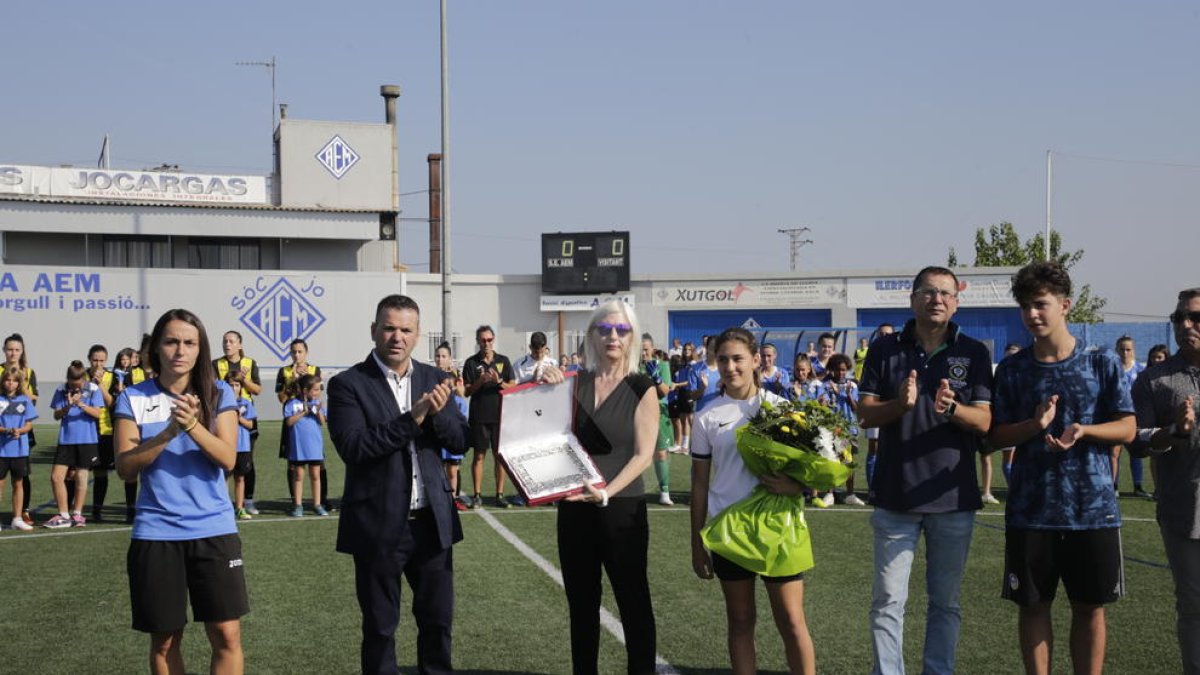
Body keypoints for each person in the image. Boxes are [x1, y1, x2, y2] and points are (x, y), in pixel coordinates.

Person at [989, 261, 1134, 675]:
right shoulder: (1014, 370)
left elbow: (1128, 426)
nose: (1031, 314)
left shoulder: (1101, 363)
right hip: (1030, 511)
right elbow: (994, 437)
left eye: (1040, 304)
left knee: (1090, 609)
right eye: (1025, 307)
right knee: (1033, 607)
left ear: (1065, 305)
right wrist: (1033, 426)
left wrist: (1083, 430)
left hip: (1093, 512)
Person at [858, 265, 994, 675]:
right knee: (887, 603)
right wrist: (900, 404)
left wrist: (951, 408)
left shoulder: (973, 352)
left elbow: (985, 422)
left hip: (953, 500)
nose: (937, 299)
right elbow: (865, 415)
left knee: (946, 604)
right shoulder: (884, 349)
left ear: (956, 301)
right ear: (912, 298)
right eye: (929, 292)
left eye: (946, 293)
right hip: (895, 497)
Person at [326, 294, 469, 675]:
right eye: (389, 328)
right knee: (380, 628)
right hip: (377, 525)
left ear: (418, 334)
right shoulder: (347, 384)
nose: (397, 337)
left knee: (438, 625)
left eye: (406, 330)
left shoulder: (435, 378)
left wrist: (436, 416)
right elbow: (355, 447)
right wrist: (415, 416)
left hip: (432, 523)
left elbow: (459, 441)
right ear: (374, 330)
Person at [114, 308, 248, 675]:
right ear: (156, 347)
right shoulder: (133, 397)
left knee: (226, 634)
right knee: (165, 640)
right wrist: (169, 432)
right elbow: (126, 467)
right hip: (156, 533)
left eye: (189, 342)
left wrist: (191, 426)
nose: (180, 350)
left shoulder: (218, 392)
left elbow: (228, 458)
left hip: (214, 530)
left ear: (199, 348)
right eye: (171, 341)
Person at [690, 327, 816, 675]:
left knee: (792, 621)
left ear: (756, 360)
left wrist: (797, 486)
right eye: (723, 360)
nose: (730, 367)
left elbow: (814, 467)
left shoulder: (781, 408)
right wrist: (697, 543)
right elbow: (700, 484)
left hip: (779, 528)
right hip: (730, 532)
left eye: (738, 358)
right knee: (741, 621)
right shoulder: (706, 416)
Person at [560, 299, 657, 675]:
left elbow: (643, 455)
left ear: (632, 336)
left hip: (622, 510)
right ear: (592, 335)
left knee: (633, 602)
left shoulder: (641, 386)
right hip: (574, 509)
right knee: (581, 605)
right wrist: (543, 383)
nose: (613, 337)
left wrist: (606, 492)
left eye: (621, 330)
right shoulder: (572, 383)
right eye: (605, 329)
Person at [1131, 288, 1200, 674]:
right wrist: (1174, 430)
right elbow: (1138, 443)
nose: (1186, 325)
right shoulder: (1155, 380)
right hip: (1185, 509)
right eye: (1179, 318)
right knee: (1192, 603)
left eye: (1195, 318)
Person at [44, 361, 104, 528]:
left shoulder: (92, 389)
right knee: (56, 477)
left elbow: (98, 414)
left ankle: (77, 515)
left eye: (78, 384)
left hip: (87, 440)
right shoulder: (61, 390)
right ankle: (63, 515)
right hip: (66, 440)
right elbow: (56, 415)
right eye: (72, 383)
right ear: (68, 379)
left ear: (84, 379)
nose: (75, 386)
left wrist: (80, 404)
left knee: (81, 477)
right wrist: (69, 405)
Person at [274, 338, 331, 513]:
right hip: (294, 422)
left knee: (318, 467)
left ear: (306, 353)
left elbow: (318, 396)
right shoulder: (284, 371)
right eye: (293, 352)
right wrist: (292, 380)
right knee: (294, 465)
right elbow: (282, 399)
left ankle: (321, 501)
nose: (297, 355)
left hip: (312, 428)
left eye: (300, 352)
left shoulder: (315, 370)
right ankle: (296, 503)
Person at [462, 325, 516, 508]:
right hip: (479, 417)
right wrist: (481, 381)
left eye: (489, 339)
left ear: (494, 340)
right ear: (478, 341)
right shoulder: (471, 363)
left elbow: (513, 387)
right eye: (483, 340)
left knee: (499, 457)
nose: (487, 343)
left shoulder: (503, 361)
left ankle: (499, 495)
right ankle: (477, 495)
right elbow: (467, 391)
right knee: (479, 456)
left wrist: (498, 381)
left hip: (501, 416)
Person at [213, 331, 264, 515]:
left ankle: (247, 501)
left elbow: (258, 390)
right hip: (224, 414)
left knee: (247, 460)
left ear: (239, 345)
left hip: (246, 414)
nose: (227, 344)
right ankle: (222, 501)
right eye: (224, 341)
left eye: (231, 341)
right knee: (224, 459)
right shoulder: (216, 364)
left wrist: (243, 379)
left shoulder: (249, 363)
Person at [2, 333, 38, 525]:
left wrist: (21, 387)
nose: (13, 353)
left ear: (22, 351)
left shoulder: (28, 372)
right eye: (9, 349)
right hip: (2, 430)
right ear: (4, 350)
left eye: (17, 349)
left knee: (21, 474)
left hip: (22, 429)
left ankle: (23, 511)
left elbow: (34, 398)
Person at [980, 342, 1023, 505]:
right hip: (997, 420)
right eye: (1008, 354)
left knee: (1013, 458)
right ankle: (989, 491)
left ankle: (1014, 490)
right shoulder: (1000, 371)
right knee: (988, 456)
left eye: (1014, 354)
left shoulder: (1025, 372)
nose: (1010, 358)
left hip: (1017, 421)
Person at [817, 353, 862, 507]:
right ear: (832, 370)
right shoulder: (826, 385)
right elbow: (824, 406)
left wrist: (847, 394)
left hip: (850, 429)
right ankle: (830, 493)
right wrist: (830, 398)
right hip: (833, 428)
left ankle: (850, 493)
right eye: (837, 370)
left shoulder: (853, 385)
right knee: (832, 459)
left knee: (849, 461)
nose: (841, 373)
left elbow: (857, 409)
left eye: (843, 370)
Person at [283, 374, 328, 517]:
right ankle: (298, 505)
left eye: (318, 389)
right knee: (298, 476)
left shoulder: (317, 403)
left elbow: (322, 422)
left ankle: (317, 504)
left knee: (315, 475)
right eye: (314, 390)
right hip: (299, 447)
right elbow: (289, 422)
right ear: (304, 390)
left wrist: (318, 410)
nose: (317, 393)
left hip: (314, 446)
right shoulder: (292, 403)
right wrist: (303, 412)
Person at [1112, 336, 1150, 498]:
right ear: (1117, 350)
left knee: (1136, 452)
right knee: (1114, 453)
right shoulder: (1112, 368)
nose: (1125, 353)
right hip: (1115, 417)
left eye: (1128, 349)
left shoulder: (1141, 370)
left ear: (1134, 350)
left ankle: (1138, 487)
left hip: (1136, 418)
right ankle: (1114, 487)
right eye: (1122, 349)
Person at [434, 342, 470, 510]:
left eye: (443, 356)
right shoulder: (429, 377)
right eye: (438, 356)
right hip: (436, 434)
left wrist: (458, 390)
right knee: (436, 469)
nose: (440, 360)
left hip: (452, 434)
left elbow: (462, 404)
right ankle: (436, 498)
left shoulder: (456, 381)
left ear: (450, 359)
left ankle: (452, 499)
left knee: (452, 469)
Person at [642, 334, 675, 505]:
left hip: (658, 414)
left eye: (646, 349)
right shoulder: (632, 367)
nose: (643, 353)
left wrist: (656, 377)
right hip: (637, 415)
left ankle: (664, 491)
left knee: (661, 454)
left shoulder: (662, 365)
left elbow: (665, 391)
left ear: (652, 349)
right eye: (640, 350)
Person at [862, 324, 895, 488]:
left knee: (893, 445)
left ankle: (889, 486)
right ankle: (872, 488)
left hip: (893, 407)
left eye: (887, 334)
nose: (884, 336)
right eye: (881, 334)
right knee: (874, 446)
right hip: (875, 406)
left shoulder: (899, 354)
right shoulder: (872, 354)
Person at [87, 344, 117, 522]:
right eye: (94, 360)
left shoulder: (112, 377)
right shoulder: (81, 375)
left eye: (101, 360)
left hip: (105, 429)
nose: (98, 364)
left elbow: (111, 403)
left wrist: (100, 385)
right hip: (84, 430)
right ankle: (69, 511)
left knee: (101, 472)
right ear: (89, 359)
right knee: (76, 472)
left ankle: (97, 510)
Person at [226, 374, 257, 520]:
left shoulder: (246, 403)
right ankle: (224, 507)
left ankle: (240, 507)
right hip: (226, 445)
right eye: (231, 385)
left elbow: (251, 425)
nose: (234, 388)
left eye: (237, 385)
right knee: (224, 478)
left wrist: (238, 417)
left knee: (240, 478)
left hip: (242, 446)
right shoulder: (220, 403)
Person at [690, 335, 721, 414]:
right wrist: (702, 388)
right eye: (712, 347)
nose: (715, 350)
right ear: (706, 347)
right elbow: (692, 396)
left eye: (717, 347)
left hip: (722, 414)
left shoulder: (726, 368)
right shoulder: (696, 368)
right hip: (702, 415)